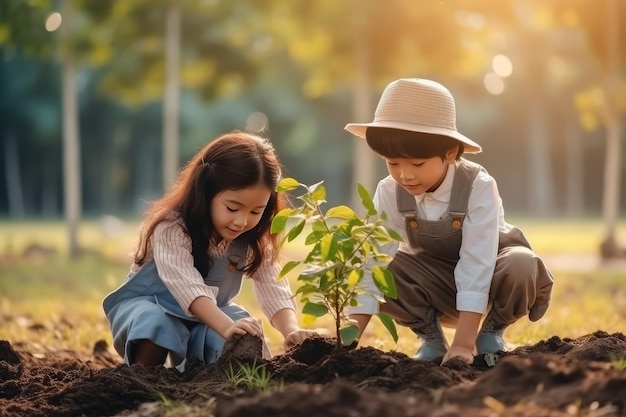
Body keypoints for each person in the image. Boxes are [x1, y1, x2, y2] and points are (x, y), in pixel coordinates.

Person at [344, 78, 554, 364]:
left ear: (450, 152)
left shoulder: (476, 186)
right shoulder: (390, 192)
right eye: (392, 163)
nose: (405, 175)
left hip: (492, 284)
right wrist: (347, 338)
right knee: (381, 265)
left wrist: (464, 345)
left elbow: (477, 261)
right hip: (434, 285)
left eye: (417, 164)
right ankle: (431, 339)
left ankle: (490, 333)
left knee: (522, 263)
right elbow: (373, 261)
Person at [103, 131, 316, 369]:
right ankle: (141, 379)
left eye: (256, 211)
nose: (242, 221)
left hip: (210, 315)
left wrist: (291, 330)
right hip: (150, 306)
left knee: (244, 329)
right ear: (205, 193)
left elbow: (273, 285)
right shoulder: (172, 227)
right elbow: (186, 285)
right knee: (156, 323)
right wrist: (225, 326)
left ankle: (212, 381)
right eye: (232, 208)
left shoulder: (252, 240)